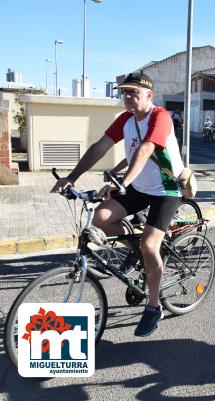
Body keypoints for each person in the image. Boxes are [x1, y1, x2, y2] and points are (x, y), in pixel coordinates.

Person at [51, 72, 184, 337]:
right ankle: (135, 251)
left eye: (134, 92)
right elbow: (99, 147)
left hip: (166, 190)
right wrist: (71, 177)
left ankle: (153, 306)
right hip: (139, 188)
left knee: (150, 245)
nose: (128, 97)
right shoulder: (125, 120)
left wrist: (120, 183)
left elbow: (146, 151)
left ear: (149, 95)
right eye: (124, 92)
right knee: (100, 217)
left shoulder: (161, 117)